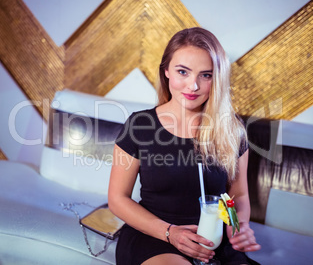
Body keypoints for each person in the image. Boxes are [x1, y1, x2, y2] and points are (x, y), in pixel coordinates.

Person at [108, 27, 261, 265]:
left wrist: (236, 225)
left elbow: (237, 195)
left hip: (214, 239)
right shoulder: (140, 125)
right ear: (166, 70)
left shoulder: (232, 129)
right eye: (183, 72)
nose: (193, 86)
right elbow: (118, 198)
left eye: (206, 75)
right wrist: (170, 232)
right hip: (155, 237)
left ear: (217, 79)